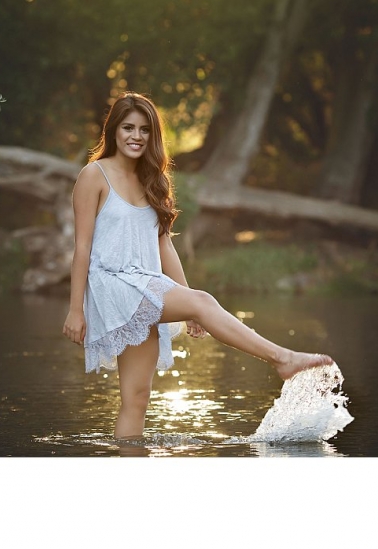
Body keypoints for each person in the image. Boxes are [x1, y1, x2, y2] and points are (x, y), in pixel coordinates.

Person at [62, 91, 333, 440]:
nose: (136, 136)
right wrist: (75, 310)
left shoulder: (151, 180)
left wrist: (185, 299)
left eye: (145, 130)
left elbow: (164, 244)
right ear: (113, 130)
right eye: (128, 127)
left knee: (137, 398)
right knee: (204, 301)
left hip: (145, 281)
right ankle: (282, 358)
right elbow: (81, 247)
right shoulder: (93, 175)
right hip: (112, 284)